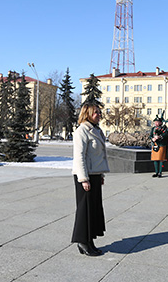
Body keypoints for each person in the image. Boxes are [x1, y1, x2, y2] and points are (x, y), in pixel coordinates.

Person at [71, 103, 109, 256]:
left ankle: (89, 240)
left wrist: (100, 175)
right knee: (84, 210)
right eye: (96, 113)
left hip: (94, 175)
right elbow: (79, 157)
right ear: (87, 114)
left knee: (93, 209)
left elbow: (98, 156)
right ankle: (82, 241)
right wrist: (83, 179)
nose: (99, 115)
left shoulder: (96, 130)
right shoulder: (82, 131)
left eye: (99, 112)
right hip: (85, 176)